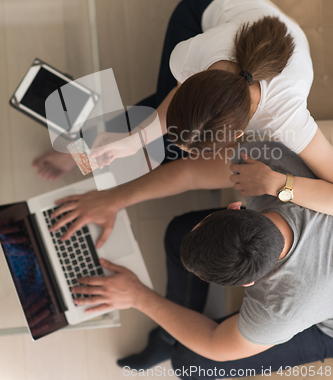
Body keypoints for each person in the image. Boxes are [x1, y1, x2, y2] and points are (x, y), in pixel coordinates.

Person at [33, 0, 333, 216]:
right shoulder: (190, 54)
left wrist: (280, 185)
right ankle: (78, 146)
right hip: (201, 13)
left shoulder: (286, 118)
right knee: (157, 131)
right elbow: (176, 99)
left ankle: (84, 142)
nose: (180, 145)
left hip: (269, 32)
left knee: (161, 143)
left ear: (240, 135)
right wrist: (134, 141)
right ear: (192, 79)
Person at [69, 141, 333, 378]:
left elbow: (213, 343)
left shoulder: (280, 311)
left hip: (326, 324)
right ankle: (167, 333)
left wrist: (138, 296)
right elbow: (192, 172)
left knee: (189, 363)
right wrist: (114, 198)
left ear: (250, 283)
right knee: (178, 233)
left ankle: (169, 333)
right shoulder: (267, 166)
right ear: (235, 207)